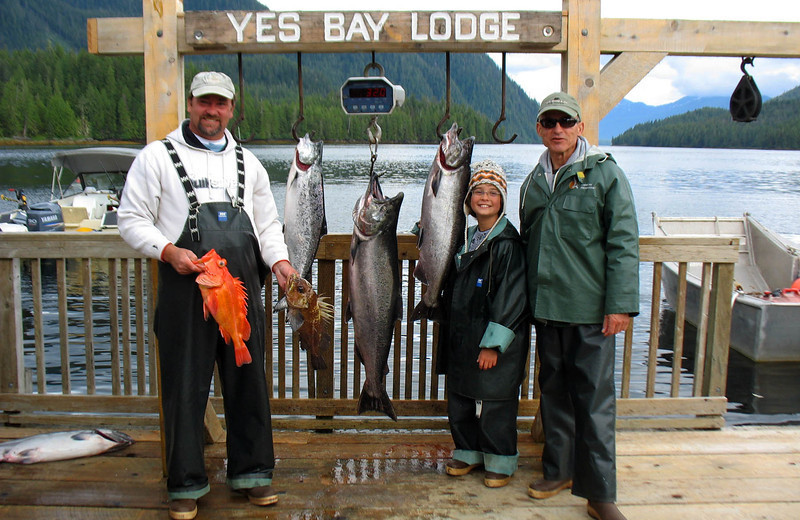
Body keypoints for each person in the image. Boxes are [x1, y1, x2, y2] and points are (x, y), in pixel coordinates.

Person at [118, 71, 297, 520]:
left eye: (220, 103)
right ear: (190, 104)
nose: (211, 111)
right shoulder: (157, 157)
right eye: (203, 102)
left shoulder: (249, 164)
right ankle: (185, 484)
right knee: (184, 387)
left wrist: (280, 264)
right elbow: (131, 219)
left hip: (239, 291)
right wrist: (168, 250)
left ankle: (253, 474)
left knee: (248, 385)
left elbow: (268, 225)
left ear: (231, 109)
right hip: (185, 287)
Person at [519, 92, 639, 520]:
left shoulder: (605, 175)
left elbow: (623, 242)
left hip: (591, 311)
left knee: (594, 402)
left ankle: (601, 493)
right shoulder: (532, 181)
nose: (558, 129)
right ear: (539, 128)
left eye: (566, 122)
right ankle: (560, 470)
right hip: (547, 308)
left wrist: (620, 305)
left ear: (580, 127)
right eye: (549, 122)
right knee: (553, 394)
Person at [438, 159, 530, 489]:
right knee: (461, 398)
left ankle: (500, 459)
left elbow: (513, 298)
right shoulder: (467, 238)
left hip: (494, 341)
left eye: (493, 192)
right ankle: (467, 451)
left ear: (502, 200)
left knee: (495, 403)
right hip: (464, 337)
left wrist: (493, 344)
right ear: (469, 199)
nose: (485, 198)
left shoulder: (508, 244)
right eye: (479, 191)